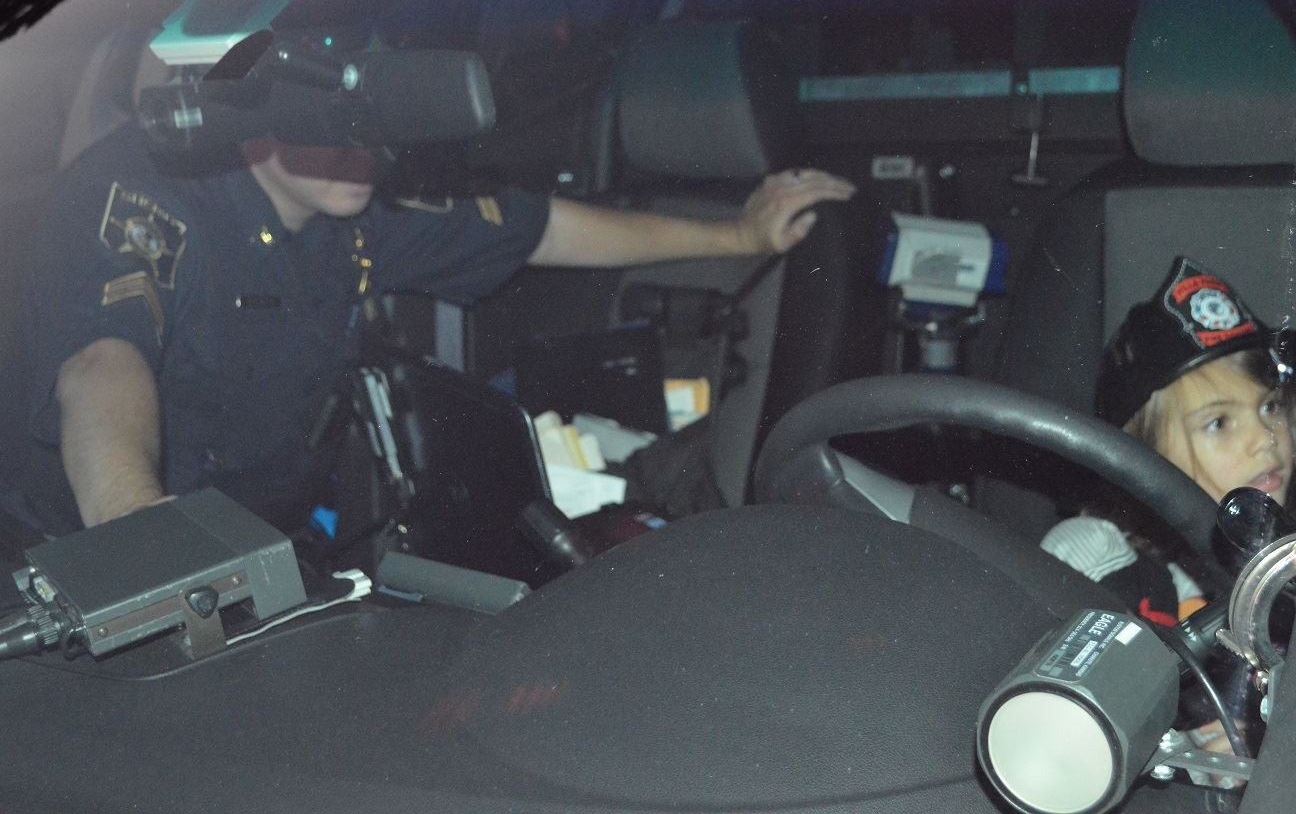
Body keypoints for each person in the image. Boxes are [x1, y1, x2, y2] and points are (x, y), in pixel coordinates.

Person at [0, 127, 853, 537]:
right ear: (252, 101)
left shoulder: (352, 208)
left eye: (371, 122)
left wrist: (738, 238)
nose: (358, 150)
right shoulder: (147, 186)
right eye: (327, 119)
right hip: (84, 558)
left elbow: (543, 229)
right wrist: (147, 554)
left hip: (266, 554)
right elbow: (99, 363)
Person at [1041, 256, 1296, 626]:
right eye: (1218, 422)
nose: (1266, 438)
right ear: (1142, 456)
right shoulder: (1102, 558)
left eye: (1271, 406)